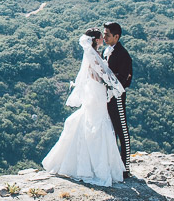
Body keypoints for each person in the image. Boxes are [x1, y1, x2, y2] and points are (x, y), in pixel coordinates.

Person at [42, 28, 126, 187]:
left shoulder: (93, 54)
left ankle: (84, 164)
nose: (103, 38)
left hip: (94, 91)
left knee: (90, 121)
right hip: (96, 92)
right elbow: (99, 74)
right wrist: (112, 85)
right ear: (95, 40)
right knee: (97, 123)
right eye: (101, 36)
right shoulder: (93, 55)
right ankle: (94, 168)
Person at [102, 22, 133, 180]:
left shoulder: (124, 55)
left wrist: (110, 85)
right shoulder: (106, 51)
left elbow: (125, 79)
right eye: (104, 33)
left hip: (117, 97)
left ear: (116, 36)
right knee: (111, 130)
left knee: (122, 131)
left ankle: (126, 168)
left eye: (107, 34)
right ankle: (114, 165)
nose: (104, 37)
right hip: (107, 96)